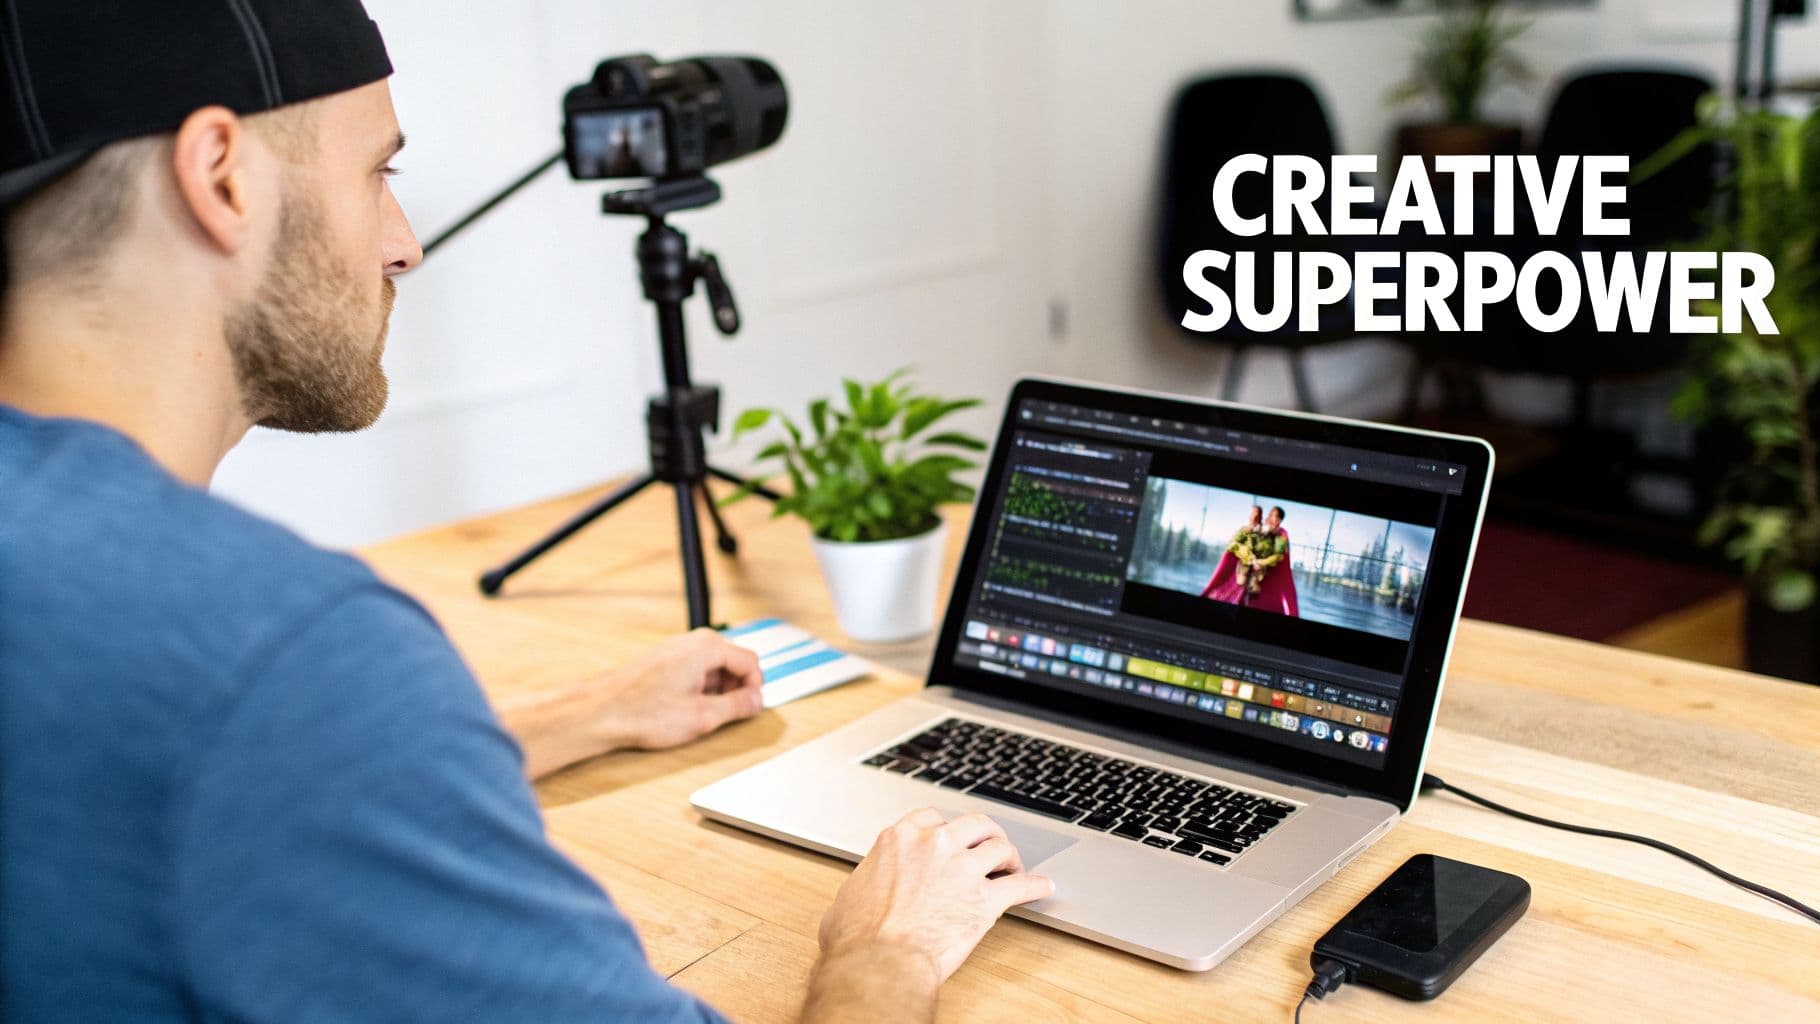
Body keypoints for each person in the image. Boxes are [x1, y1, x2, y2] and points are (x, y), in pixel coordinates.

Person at [0, 4, 1050, 1021]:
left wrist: (576, 717)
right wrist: (884, 949)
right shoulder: (284, 659)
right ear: (221, 177)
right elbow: (269, 731)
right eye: (378, 173)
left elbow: (176, 782)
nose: (403, 245)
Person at [1201, 504, 1299, 617]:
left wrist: (1260, 562)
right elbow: (1234, 544)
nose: (1271, 519)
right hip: (1245, 566)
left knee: (1252, 593)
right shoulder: (1251, 529)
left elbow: (1278, 556)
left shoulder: (1280, 535)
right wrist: (1250, 557)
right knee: (1237, 588)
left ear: (1279, 520)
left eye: (1275, 517)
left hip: (1260, 573)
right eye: (1270, 515)